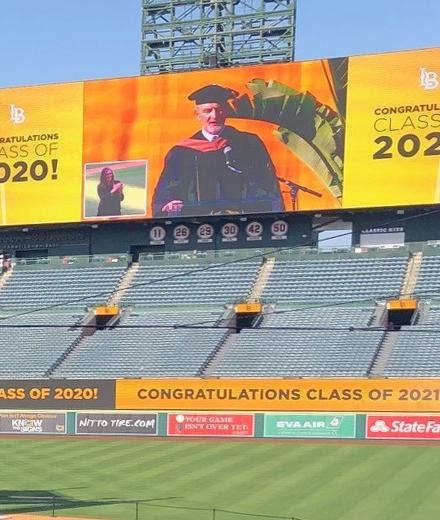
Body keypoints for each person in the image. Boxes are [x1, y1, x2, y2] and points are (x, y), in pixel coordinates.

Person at [152, 84, 284, 217]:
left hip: (243, 221)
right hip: (197, 224)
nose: (214, 116)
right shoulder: (181, 152)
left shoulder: (248, 144)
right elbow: (168, 190)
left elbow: (266, 183)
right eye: (207, 111)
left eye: (219, 110)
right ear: (197, 115)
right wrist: (170, 203)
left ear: (226, 111)